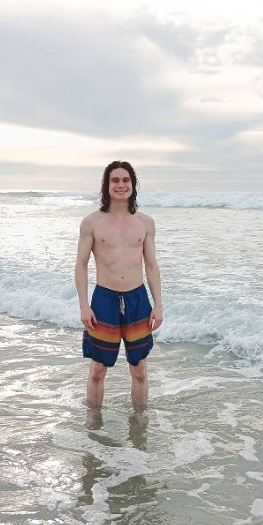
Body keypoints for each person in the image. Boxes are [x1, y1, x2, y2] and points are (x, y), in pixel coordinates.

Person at [75, 160, 163, 409]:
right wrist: (84, 305)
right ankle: (94, 421)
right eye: (115, 180)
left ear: (133, 184)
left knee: (139, 369)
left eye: (126, 180)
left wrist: (158, 304)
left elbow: (151, 266)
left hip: (137, 299)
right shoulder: (92, 222)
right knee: (98, 370)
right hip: (104, 299)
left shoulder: (145, 223)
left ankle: (139, 422)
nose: (121, 185)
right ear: (107, 185)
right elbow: (81, 265)